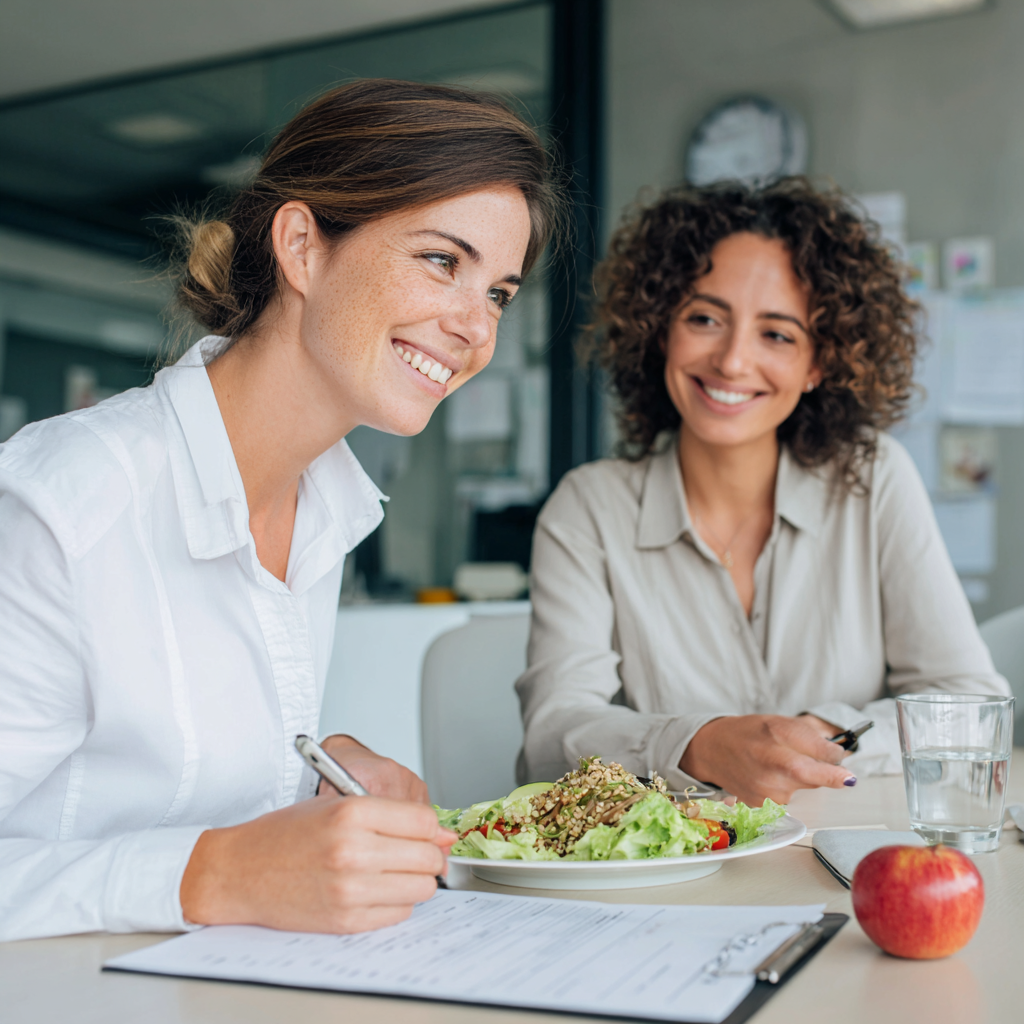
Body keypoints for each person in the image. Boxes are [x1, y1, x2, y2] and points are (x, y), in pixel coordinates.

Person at [0, 79, 562, 941]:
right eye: (443, 261)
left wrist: (313, 779)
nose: (475, 328)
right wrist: (211, 873)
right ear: (302, 246)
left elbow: (145, 774)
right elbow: (200, 863)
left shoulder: (324, 506)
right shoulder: (62, 504)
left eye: (499, 293)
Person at [517, 178, 1010, 807]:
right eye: (703, 318)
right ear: (660, 329)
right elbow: (550, 736)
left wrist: (828, 737)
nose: (731, 361)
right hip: (675, 880)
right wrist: (696, 744)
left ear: (818, 363)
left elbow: (969, 701)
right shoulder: (588, 508)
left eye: (777, 334)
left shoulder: (874, 478)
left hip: (842, 856)